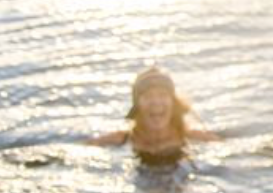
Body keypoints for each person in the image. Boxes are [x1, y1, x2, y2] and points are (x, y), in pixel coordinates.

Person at [89, 66, 219, 159]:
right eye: (148, 96)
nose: (156, 102)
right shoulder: (120, 140)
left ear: (174, 103)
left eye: (162, 95)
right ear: (137, 106)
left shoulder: (197, 138)